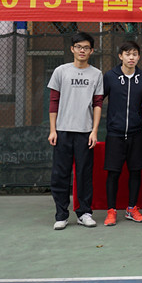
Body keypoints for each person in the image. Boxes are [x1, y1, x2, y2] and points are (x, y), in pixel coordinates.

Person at [47, 32, 103, 230]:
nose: (82, 51)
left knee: (84, 175)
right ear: (72, 49)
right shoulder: (60, 71)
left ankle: (84, 213)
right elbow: (54, 101)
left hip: (85, 132)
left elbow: (97, 104)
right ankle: (61, 215)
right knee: (60, 175)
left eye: (86, 47)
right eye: (78, 47)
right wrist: (53, 130)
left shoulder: (96, 74)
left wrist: (94, 131)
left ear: (91, 51)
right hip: (62, 131)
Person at [101, 41, 142, 227]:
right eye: (127, 54)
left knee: (136, 171)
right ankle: (111, 211)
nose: (131, 57)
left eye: (134, 54)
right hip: (115, 133)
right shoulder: (110, 77)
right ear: (120, 56)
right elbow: (98, 100)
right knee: (113, 173)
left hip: (137, 133)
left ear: (139, 57)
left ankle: (131, 209)